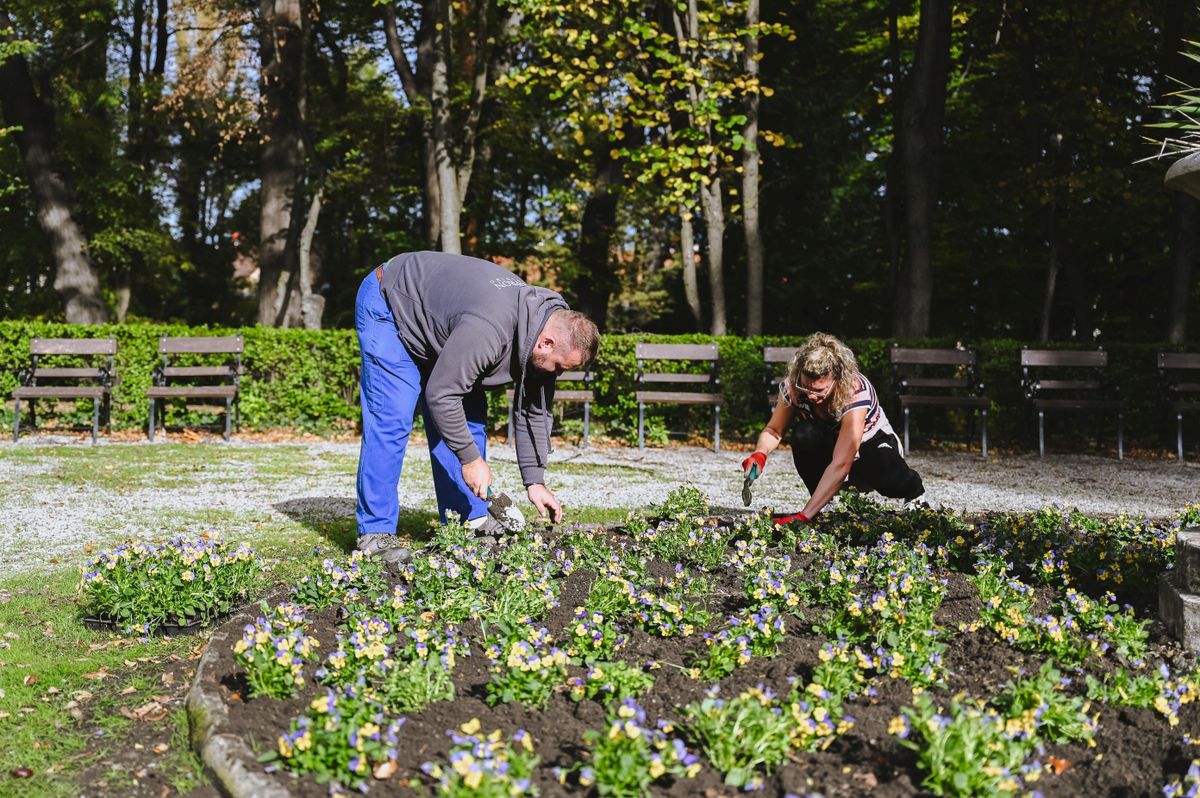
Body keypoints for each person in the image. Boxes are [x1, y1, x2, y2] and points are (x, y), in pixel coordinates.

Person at [355, 251, 600, 563]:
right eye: (559, 367)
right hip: (391, 303)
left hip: (445, 326)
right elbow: (442, 395)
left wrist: (535, 481)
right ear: (547, 343)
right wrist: (471, 460)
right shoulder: (490, 328)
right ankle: (375, 533)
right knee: (391, 419)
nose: (558, 374)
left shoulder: (543, 330)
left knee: (467, 423)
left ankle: (466, 524)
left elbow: (533, 409)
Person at [742, 332, 924, 523]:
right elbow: (774, 430)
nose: (811, 395)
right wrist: (760, 454)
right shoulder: (794, 386)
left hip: (870, 445)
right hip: (831, 445)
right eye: (806, 387)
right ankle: (824, 503)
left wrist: (804, 516)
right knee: (804, 434)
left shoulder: (854, 391)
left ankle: (914, 491)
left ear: (837, 378)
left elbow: (841, 463)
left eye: (819, 390)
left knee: (889, 478)